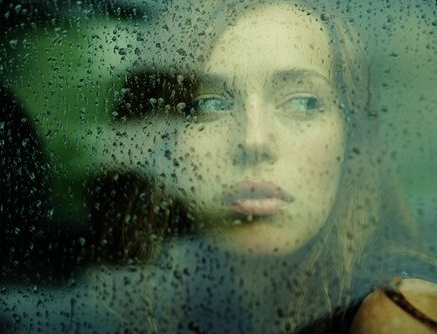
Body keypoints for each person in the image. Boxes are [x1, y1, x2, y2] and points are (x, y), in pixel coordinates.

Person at [88, 0, 437, 332]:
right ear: (162, 138)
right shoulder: (132, 298)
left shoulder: (396, 313)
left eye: (301, 102)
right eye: (209, 104)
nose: (253, 140)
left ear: (350, 136)